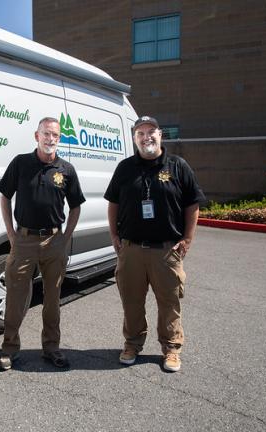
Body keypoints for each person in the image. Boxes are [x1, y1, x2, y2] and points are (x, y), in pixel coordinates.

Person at [104, 116, 205, 372]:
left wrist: (188, 238)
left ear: (161, 135)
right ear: (134, 138)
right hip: (132, 250)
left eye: (151, 131)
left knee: (169, 303)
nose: (146, 137)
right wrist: (114, 236)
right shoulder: (125, 168)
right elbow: (113, 202)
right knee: (132, 302)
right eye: (140, 133)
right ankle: (132, 344)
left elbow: (193, 203)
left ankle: (171, 349)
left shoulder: (178, 166)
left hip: (166, 250)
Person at [0, 116, 86, 371]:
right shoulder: (21, 163)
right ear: (37, 136)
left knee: (53, 298)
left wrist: (65, 237)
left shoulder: (66, 169)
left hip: (54, 241)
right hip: (23, 241)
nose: (50, 138)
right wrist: (12, 234)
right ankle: (9, 349)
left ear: (59, 138)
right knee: (15, 296)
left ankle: (52, 348)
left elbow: (76, 206)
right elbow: (4, 197)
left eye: (55, 135)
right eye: (46, 134)